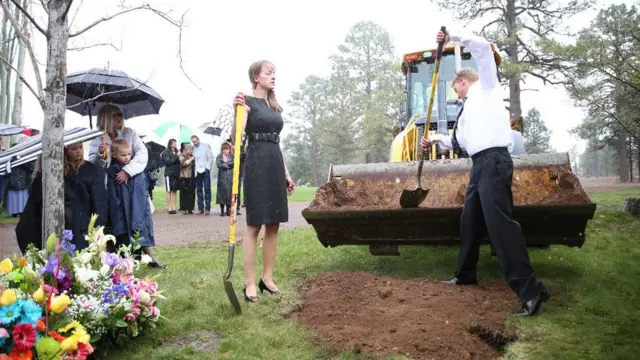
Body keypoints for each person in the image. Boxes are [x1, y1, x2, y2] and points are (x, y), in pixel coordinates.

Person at [421, 29, 549, 316]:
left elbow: (482, 48)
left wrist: (452, 36)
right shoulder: (469, 110)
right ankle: (465, 273)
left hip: (494, 162)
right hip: (479, 165)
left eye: (457, 88)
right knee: (470, 220)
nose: (457, 94)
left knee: (500, 225)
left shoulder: (487, 87)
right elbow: (462, 141)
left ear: (464, 81)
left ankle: (530, 291)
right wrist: (435, 140)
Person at [232, 60, 295, 302]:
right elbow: (237, 137)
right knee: (254, 225)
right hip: (256, 163)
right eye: (269, 73)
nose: (273, 76)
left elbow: (276, 142)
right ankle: (249, 283)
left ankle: (267, 279)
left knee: (274, 224)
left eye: (274, 73)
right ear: (256, 77)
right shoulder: (246, 102)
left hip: (275, 163)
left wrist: (286, 174)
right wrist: (238, 112)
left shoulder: (274, 106)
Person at [16, 143, 108, 252]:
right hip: (56, 223)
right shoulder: (50, 173)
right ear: (64, 151)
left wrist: (98, 227)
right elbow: (35, 204)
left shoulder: (92, 171)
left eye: (80, 147)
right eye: (73, 149)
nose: (79, 151)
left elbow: (99, 203)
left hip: (82, 223)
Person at [106, 139, 165, 269]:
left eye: (129, 154)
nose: (127, 157)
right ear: (115, 154)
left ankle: (146, 259)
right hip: (121, 209)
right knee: (122, 236)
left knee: (140, 231)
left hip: (136, 207)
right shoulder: (112, 172)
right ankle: (122, 262)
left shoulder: (136, 170)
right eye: (123, 155)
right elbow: (112, 195)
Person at [190, 135, 213, 215]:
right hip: (197, 171)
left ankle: (207, 208)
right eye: (193, 142)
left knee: (207, 189)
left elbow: (210, 158)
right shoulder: (193, 149)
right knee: (199, 190)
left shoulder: (205, 146)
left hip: (205, 170)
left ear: (198, 139)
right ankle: (200, 208)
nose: (195, 143)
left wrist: (207, 168)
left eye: (195, 141)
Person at [161, 138, 180, 214]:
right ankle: (169, 208)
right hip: (169, 174)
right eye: (174, 143)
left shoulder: (176, 151)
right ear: (170, 144)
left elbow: (177, 162)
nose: (175, 144)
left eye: (176, 143)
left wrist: (180, 157)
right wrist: (176, 156)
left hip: (176, 174)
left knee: (174, 191)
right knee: (169, 191)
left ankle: (174, 207)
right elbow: (169, 162)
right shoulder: (166, 152)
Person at [215, 142, 234, 216]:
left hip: (230, 178)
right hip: (222, 179)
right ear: (222, 150)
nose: (226, 151)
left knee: (229, 195)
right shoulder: (219, 157)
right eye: (225, 149)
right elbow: (219, 165)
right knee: (221, 195)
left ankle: (228, 211)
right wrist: (228, 165)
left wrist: (225, 164)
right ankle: (222, 211)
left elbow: (233, 163)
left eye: (227, 149)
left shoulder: (232, 156)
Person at [179, 143, 196, 214]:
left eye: (192, 149)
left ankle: (190, 208)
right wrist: (191, 159)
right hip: (185, 176)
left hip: (192, 176)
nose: (191, 151)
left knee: (191, 192)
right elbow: (184, 164)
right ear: (186, 150)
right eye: (190, 149)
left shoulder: (192, 156)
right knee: (185, 193)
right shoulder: (182, 155)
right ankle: (185, 208)